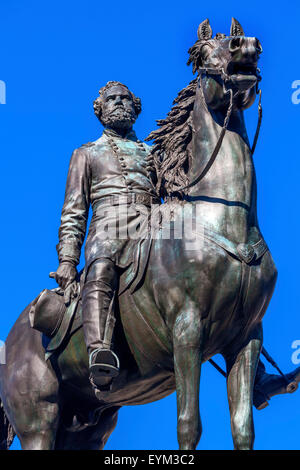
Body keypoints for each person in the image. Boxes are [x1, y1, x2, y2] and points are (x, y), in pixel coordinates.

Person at [51, 81, 159, 389]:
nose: (120, 103)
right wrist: (68, 260)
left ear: (136, 107)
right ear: (100, 110)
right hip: (108, 226)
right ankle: (99, 350)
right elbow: (73, 210)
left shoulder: (153, 154)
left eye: (125, 98)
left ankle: (253, 370)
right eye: (112, 99)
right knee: (101, 269)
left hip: (155, 222)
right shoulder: (86, 154)